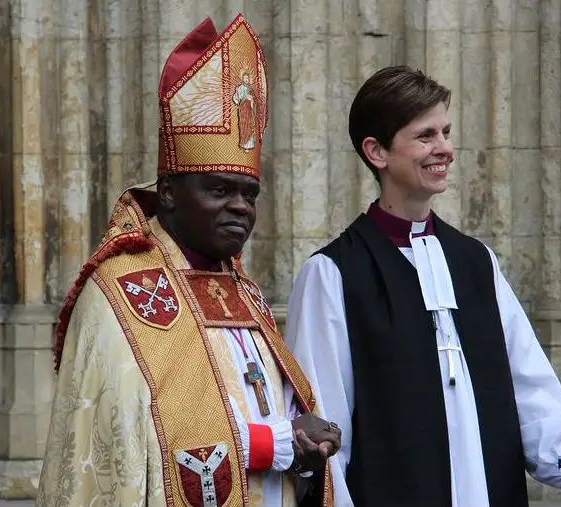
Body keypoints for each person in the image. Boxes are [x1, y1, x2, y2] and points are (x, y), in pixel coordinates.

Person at [38, 14, 339, 507]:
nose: (241, 206)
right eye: (220, 190)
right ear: (171, 195)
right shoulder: (121, 292)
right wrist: (276, 442)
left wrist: (306, 441)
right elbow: (134, 449)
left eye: (250, 193)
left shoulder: (242, 290)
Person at [285, 65, 561, 507]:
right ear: (377, 151)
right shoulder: (332, 274)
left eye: (446, 131)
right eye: (426, 136)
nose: (445, 148)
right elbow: (325, 432)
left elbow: (530, 390)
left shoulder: (475, 262)